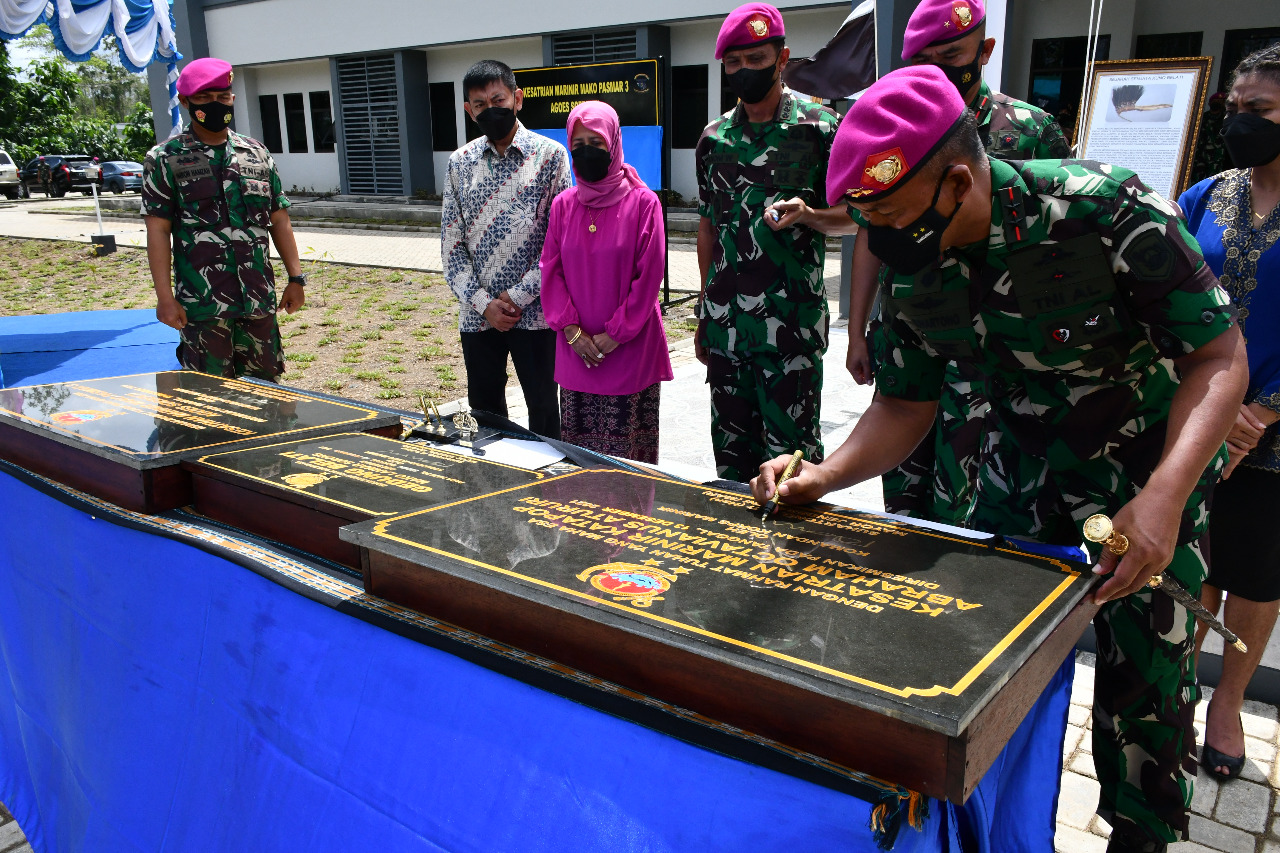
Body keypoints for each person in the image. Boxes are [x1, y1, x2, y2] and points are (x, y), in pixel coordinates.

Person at [752, 65, 1248, 852]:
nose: (877, 239)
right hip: (1012, 489)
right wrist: (824, 472)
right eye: (863, 217)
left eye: (887, 213)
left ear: (955, 181)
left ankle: (1139, 837)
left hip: (1144, 488)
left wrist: (1165, 497)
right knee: (997, 696)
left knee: (1146, 693)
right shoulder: (917, 265)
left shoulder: (1104, 212)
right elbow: (903, 406)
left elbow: (1219, 357)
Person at [848, 0, 1073, 521]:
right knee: (902, 477)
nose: (938, 70)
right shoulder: (894, 136)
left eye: (950, 54)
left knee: (969, 483)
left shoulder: (1032, 130)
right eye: (922, 62)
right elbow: (868, 235)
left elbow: (1054, 234)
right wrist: (859, 330)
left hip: (995, 338)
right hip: (914, 325)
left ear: (984, 50)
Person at [1178, 44, 1280, 783]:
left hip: (1271, 438)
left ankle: (1228, 701)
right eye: (1234, 110)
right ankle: (1178, 689)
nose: (1241, 123)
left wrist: (1265, 411)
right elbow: (1163, 296)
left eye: (1260, 112)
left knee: (1254, 575)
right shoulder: (1205, 194)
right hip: (1194, 420)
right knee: (1191, 563)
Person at [694, 2, 841, 482]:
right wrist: (703, 311)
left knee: (794, 468)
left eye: (756, 60)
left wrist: (813, 215)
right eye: (733, 63)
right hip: (727, 329)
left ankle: (795, 559)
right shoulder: (713, 139)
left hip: (789, 330)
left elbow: (860, 214)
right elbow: (708, 226)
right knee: (732, 467)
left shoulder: (821, 127)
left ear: (783, 58)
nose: (744, 71)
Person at [142, 57, 306, 380]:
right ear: (186, 102)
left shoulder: (257, 154)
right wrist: (165, 298)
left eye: (222, 96)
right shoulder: (164, 159)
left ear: (232, 97)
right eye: (204, 98)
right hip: (203, 307)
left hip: (258, 301)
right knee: (210, 399)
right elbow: (158, 230)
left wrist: (296, 278)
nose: (216, 104)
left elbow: (279, 220)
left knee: (267, 396)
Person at [442, 59, 571, 439]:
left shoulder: (551, 157)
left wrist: (516, 297)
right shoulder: (459, 164)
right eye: (479, 105)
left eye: (497, 99)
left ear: (517, 99)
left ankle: (548, 488)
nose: (489, 109)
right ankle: (494, 483)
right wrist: (484, 303)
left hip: (535, 315)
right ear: (469, 110)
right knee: (484, 411)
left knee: (545, 408)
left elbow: (559, 245)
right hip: (477, 316)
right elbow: (452, 247)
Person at [539, 102, 672, 463]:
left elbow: (649, 277)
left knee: (627, 465)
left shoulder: (644, 203)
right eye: (578, 144)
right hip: (576, 352)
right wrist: (571, 331)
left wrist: (616, 333)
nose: (586, 152)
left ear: (613, 145)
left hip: (630, 351)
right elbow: (550, 270)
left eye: (595, 143)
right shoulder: (563, 206)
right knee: (580, 463)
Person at [1188, 92, 1229, 187]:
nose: (1218, 103)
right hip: (1200, 156)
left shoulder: (1225, 119)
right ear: (1210, 103)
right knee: (1197, 182)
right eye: (1216, 101)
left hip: (1216, 157)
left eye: (1221, 101)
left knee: (1215, 183)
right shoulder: (1201, 118)